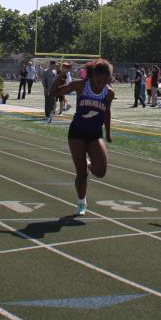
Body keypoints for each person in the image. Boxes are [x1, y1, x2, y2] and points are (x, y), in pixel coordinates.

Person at [51, 59, 115, 216]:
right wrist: (62, 73)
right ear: (91, 76)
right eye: (98, 81)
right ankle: (81, 203)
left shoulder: (109, 93)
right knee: (81, 173)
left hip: (95, 134)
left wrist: (107, 133)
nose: (101, 85)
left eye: (105, 82)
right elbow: (53, 92)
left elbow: (106, 112)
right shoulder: (80, 85)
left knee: (100, 171)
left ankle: (89, 165)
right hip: (77, 133)